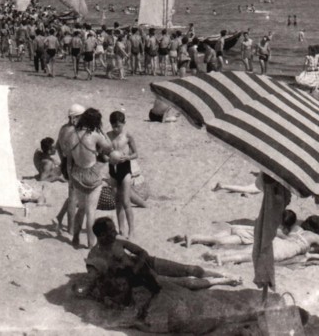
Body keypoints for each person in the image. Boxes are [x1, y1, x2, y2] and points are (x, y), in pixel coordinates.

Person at [81, 218, 240, 308]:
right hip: (140, 279)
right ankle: (223, 280)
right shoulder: (96, 256)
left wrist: (136, 267)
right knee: (185, 283)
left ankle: (221, 274)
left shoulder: (118, 243)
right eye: (111, 231)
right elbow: (97, 281)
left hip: (145, 265)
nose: (115, 232)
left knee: (188, 269)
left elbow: (142, 252)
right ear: (101, 235)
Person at [69, 108, 113, 248]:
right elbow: (109, 148)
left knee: (81, 209)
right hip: (91, 175)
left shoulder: (72, 134)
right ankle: (91, 244)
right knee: (91, 212)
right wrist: (102, 132)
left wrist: (70, 178)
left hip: (76, 173)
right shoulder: (95, 135)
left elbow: (69, 159)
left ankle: (75, 238)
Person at [208, 215, 319, 266]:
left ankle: (219, 254)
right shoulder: (314, 237)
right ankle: (223, 259)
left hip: (278, 241)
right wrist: (310, 249)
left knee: (250, 250)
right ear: (318, 229)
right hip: (286, 249)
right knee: (253, 257)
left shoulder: (296, 227)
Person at [53, 104, 85, 236]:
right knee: (73, 198)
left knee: (74, 195)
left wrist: (62, 161)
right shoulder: (75, 131)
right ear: (74, 118)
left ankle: (59, 217)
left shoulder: (63, 129)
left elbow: (58, 147)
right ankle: (71, 229)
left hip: (66, 163)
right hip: (75, 164)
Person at [106, 111, 138, 239]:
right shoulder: (107, 136)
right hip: (112, 169)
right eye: (113, 126)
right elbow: (102, 154)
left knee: (125, 201)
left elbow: (136, 153)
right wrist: (108, 158)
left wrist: (127, 157)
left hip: (125, 168)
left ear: (124, 124)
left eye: (118, 126)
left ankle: (131, 230)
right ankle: (121, 230)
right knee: (117, 202)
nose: (116, 128)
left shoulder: (127, 135)